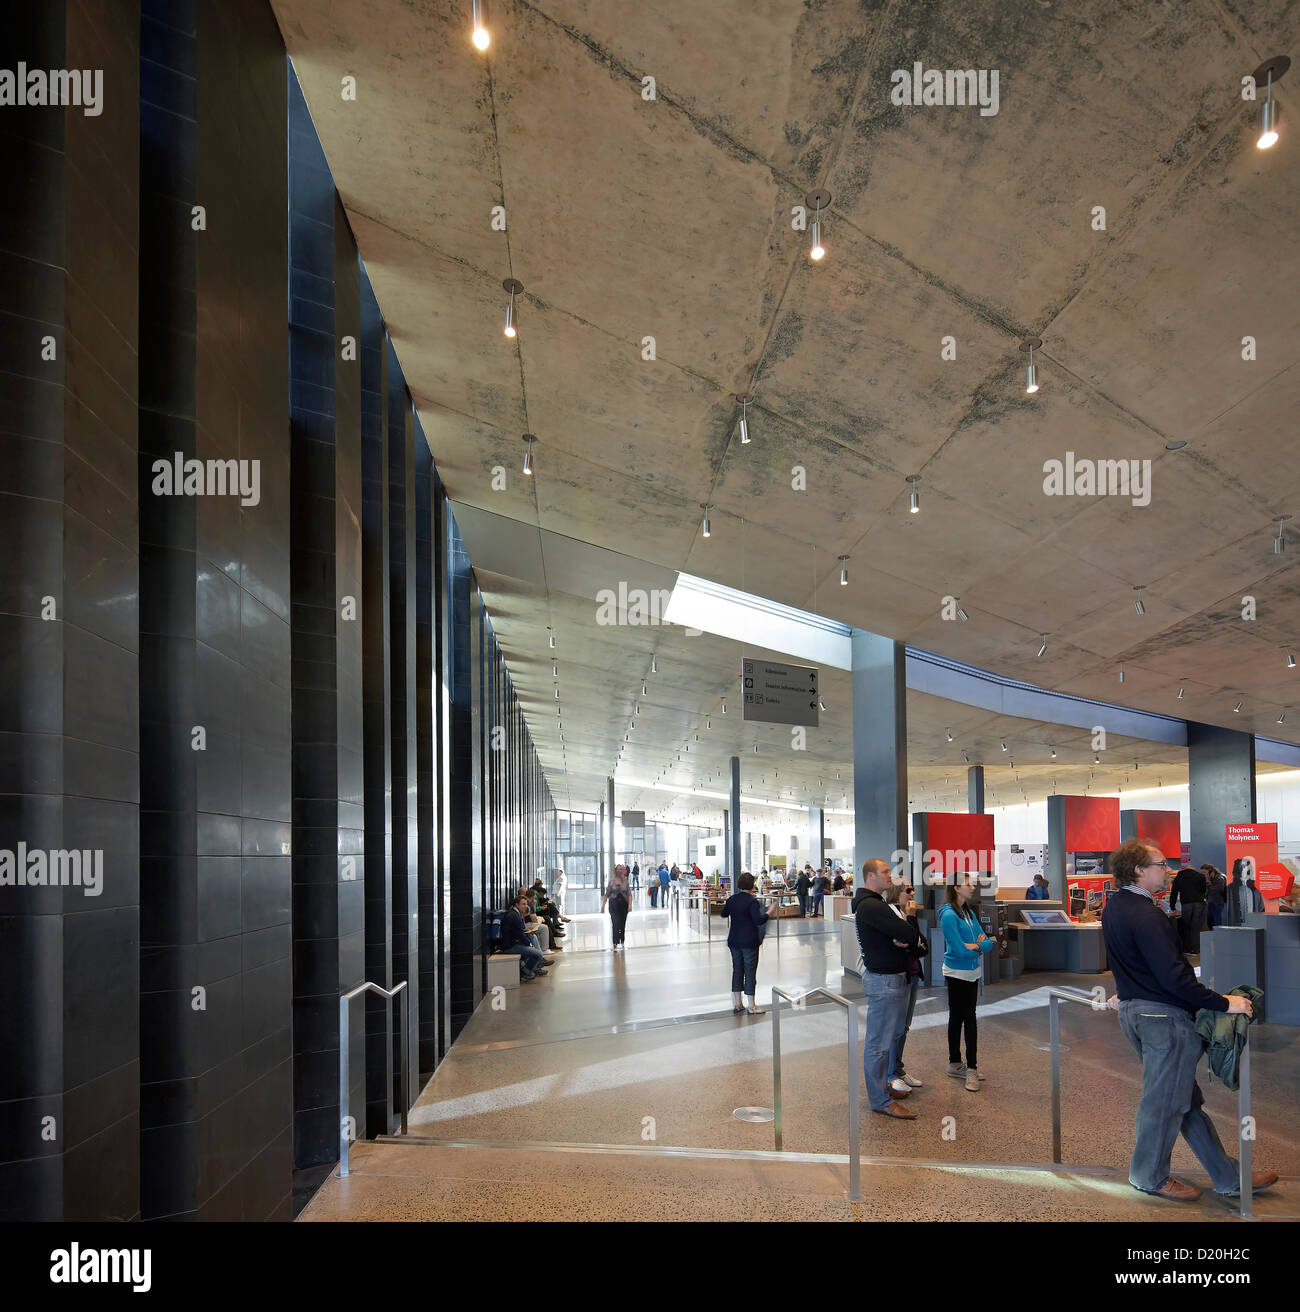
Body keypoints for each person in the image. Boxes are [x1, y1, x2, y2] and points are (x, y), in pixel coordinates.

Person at [1102, 838, 1276, 1202]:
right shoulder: (1148, 915)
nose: (1167, 870)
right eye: (1160, 864)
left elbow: (1127, 959)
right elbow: (1175, 978)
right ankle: (1148, 1176)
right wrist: (1224, 1002)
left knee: (1182, 1100)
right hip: (1163, 1020)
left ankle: (1228, 1176)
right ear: (1138, 869)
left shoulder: (1117, 906)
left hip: (1138, 1012)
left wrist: (1128, 991)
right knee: (1164, 1103)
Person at [854, 859, 921, 1120]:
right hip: (884, 982)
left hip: (888, 980)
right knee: (878, 1045)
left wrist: (906, 936)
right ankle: (880, 1100)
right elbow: (908, 933)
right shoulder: (872, 906)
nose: (889, 877)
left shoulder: (874, 905)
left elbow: (907, 936)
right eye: (885, 873)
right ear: (871, 877)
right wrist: (906, 934)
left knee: (884, 1040)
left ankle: (883, 1089)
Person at [938, 880, 994, 1092]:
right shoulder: (949, 915)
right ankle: (962, 1065)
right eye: (967, 883)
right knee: (960, 1018)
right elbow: (960, 950)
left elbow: (988, 942)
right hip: (956, 973)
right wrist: (977, 947)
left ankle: (966, 1065)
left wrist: (977, 945)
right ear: (955, 888)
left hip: (972, 973)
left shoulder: (968, 913)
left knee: (969, 1017)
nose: (972, 886)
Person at [885, 881, 925, 1095]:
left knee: (905, 1026)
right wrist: (910, 923)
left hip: (912, 974)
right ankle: (891, 1074)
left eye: (912, 890)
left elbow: (921, 945)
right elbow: (909, 939)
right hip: (898, 976)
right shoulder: (892, 915)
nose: (912, 894)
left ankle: (898, 1069)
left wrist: (912, 938)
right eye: (907, 891)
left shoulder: (907, 915)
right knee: (896, 1027)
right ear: (896, 893)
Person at [720, 872, 770, 1015]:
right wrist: (769, 913)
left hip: (734, 940)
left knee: (737, 970)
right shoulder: (752, 902)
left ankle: (738, 1003)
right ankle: (752, 1006)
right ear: (752, 885)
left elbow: (723, 914)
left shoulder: (732, 899)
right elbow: (758, 920)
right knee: (750, 971)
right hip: (749, 942)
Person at [499, 889, 550, 980]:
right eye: (523, 904)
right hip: (510, 946)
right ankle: (526, 971)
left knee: (531, 941)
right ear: (516, 905)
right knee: (537, 954)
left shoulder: (514, 913)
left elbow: (519, 931)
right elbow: (519, 934)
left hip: (512, 943)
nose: (526, 906)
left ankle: (533, 968)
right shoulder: (514, 916)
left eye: (526, 904)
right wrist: (528, 944)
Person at [1168, 865, 1207, 954]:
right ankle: (1196, 949)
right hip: (1199, 903)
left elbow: (1174, 892)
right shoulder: (1200, 876)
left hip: (1186, 904)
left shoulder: (1180, 876)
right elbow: (1204, 890)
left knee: (1186, 927)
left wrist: (1172, 906)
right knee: (1196, 927)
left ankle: (1187, 949)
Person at [602, 863, 633, 949]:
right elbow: (607, 894)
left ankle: (622, 940)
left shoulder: (626, 882)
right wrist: (603, 906)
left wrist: (630, 905)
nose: (619, 870)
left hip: (624, 905)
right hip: (614, 905)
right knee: (615, 923)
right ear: (615, 871)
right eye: (618, 869)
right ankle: (615, 942)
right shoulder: (611, 882)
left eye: (621, 869)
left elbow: (629, 894)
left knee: (622, 924)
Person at [1227, 856, 1265, 925]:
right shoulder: (1230, 888)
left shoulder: (1255, 889)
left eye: (1244, 866)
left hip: (1253, 925)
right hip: (1235, 927)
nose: (1241, 868)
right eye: (1240, 866)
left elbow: (1261, 908)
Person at [1202, 864, 1227, 929]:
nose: (1203, 875)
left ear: (1210, 871)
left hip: (1217, 902)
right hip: (1210, 902)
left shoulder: (1219, 878)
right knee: (1210, 922)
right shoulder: (1211, 879)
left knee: (1216, 922)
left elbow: (1219, 889)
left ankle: (1219, 936)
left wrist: (1209, 883)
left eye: (1204, 873)